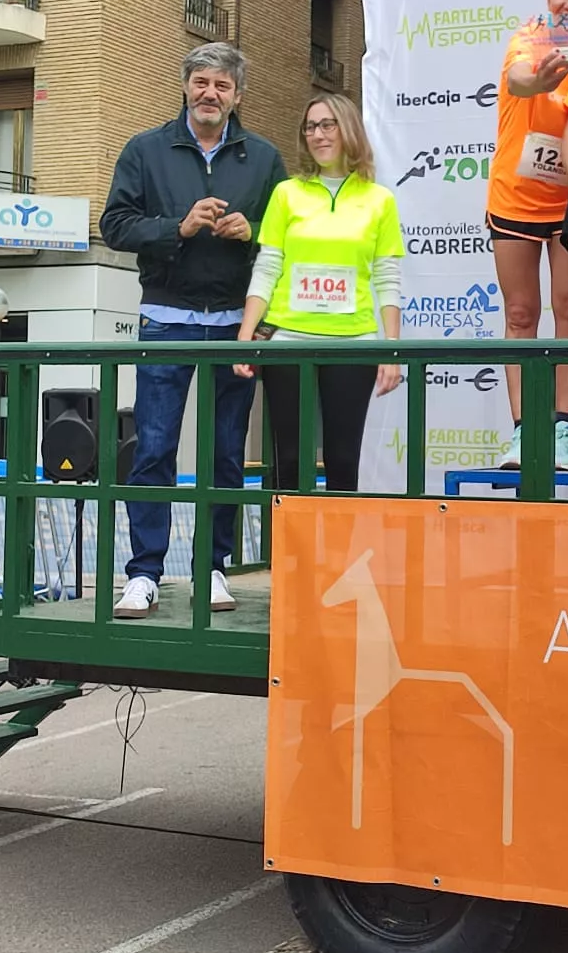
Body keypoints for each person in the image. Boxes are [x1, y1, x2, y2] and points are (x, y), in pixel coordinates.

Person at [100, 41, 286, 618]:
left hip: (237, 324)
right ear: (185, 85)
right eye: (201, 82)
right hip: (166, 320)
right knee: (153, 449)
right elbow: (113, 226)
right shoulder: (145, 149)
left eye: (222, 86)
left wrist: (248, 231)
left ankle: (211, 567)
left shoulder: (263, 157)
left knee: (227, 454)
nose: (210, 94)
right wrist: (175, 228)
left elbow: (283, 238)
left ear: (237, 96)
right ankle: (144, 575)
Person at [234, 94, 403, 494]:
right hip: (288, 341)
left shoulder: (380, 200)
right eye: (310, 126)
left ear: (348, 130)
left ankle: (338, 558)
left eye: (328, 125)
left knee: (343, 460)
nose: (318, 135)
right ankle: (290, 556)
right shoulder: (287, 193)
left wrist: (391, 349)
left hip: (353, 342)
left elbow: (388, 277)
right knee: (288, 460)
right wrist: (245, 337)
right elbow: (267, 268)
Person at [492, 0, 568, 472]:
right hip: (515, 194)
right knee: (520, 315)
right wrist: (544, 77)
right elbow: (518, 80)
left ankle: (562, 427)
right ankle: (521, 429)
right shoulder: (529, 38)